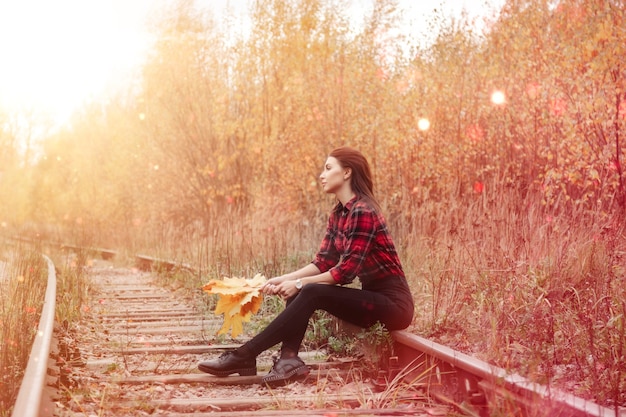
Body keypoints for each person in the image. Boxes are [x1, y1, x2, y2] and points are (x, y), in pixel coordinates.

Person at [198, 146, 415, 385]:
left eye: (328, 168)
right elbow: (323, 262)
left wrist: (299, 283)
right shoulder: (339, 214)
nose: (322, 175)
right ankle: (288, 359)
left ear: (346, 173)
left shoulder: (363, 211)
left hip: (394, 306)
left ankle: (245, 355)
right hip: (369, 300)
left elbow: (346, 272)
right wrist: (283, 279)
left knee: (309, 289)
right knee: (306, 288)